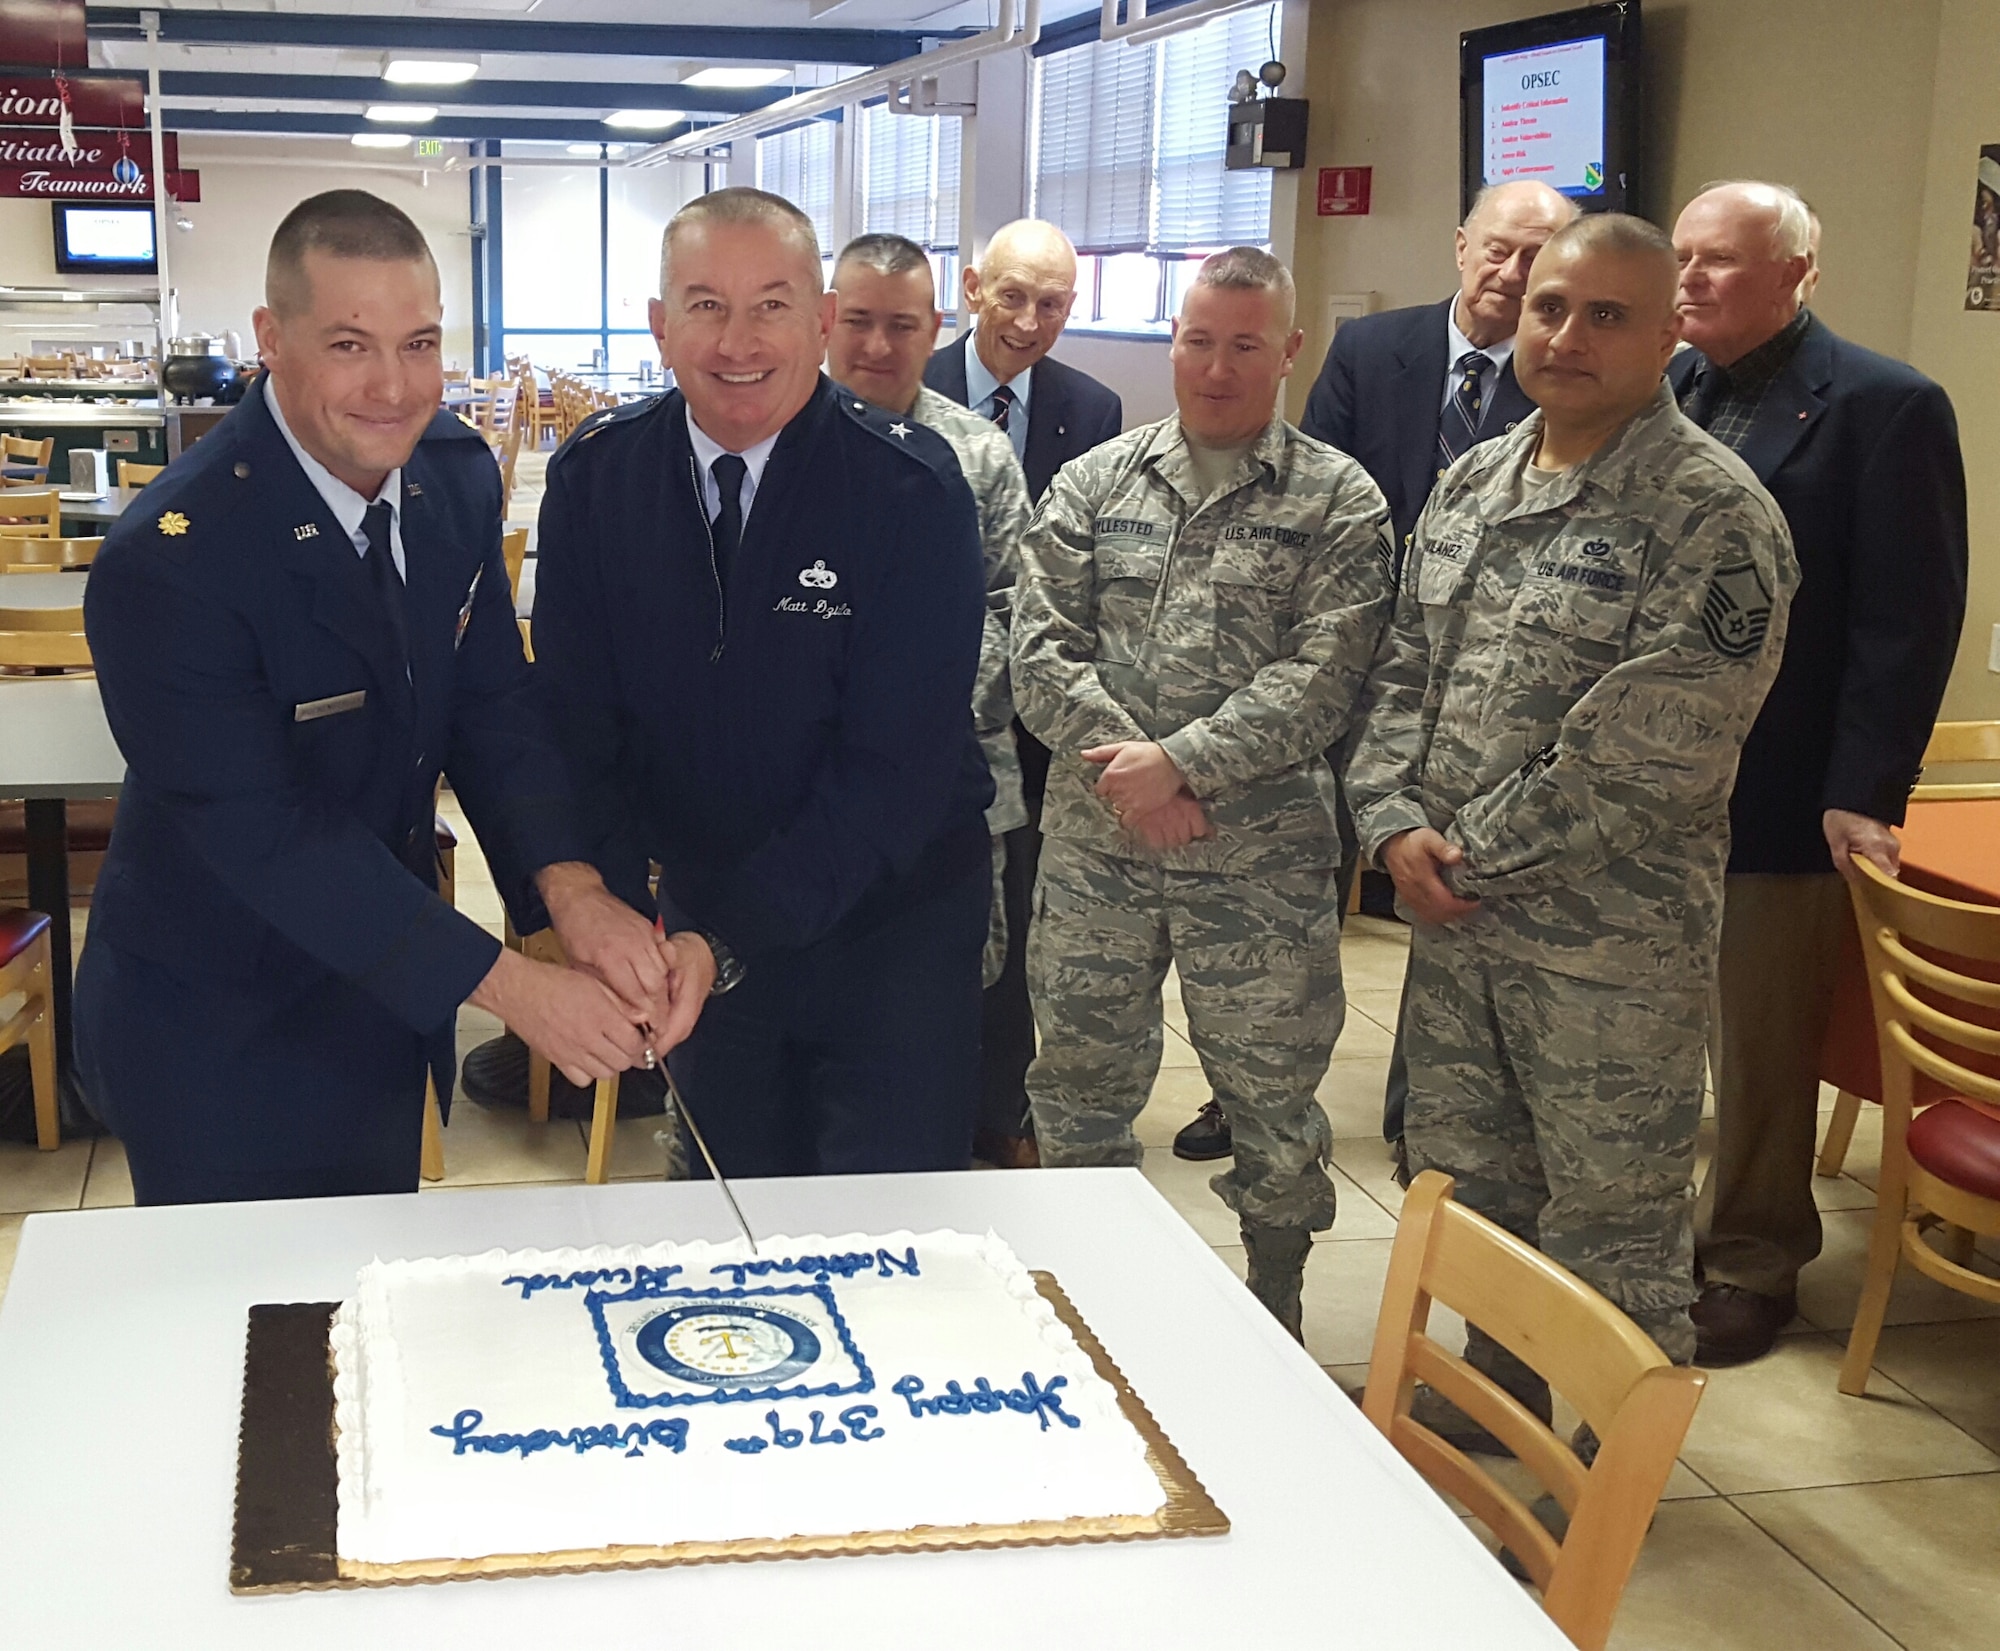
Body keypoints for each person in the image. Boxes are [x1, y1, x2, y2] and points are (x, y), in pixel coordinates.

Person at [76, 190, 693, 1205]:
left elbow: (493, 707)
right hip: (216, 1028)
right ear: (272, 339)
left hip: (380, 1003)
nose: (395, 387)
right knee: (247, 1338)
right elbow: (268, 835)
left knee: (354, 1314)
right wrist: (508, 985)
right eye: (350, 344)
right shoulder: (171, 562)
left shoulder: (447, 477)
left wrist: (572, 893)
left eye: (418, 342)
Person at [1347, 213, 1796, 1429]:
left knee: (1612, 1220)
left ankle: (1605, 1473)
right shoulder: (1476, 479)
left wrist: (1458, 854)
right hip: (1455, 929)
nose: (1566, 335)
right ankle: (1487, 1419)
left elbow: (1648, 750)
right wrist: (1390, 824)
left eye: (1606, 315)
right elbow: (1399, 671)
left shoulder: (1713, 516)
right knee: (1475, 1193)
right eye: (1549, 306)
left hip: (1606, 953)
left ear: (1665, 336)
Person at [528, 187, 992, 1179]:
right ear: (658, 326)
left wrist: (719, 936)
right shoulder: (597, 482)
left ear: (820, 320)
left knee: (885, 1233)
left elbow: (893, 775)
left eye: (770, 304)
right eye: (704, 304)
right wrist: (610, 914)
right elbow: (576, 730)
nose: (736, 340)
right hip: (702, 919)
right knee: (726, 1218)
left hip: (890, 924)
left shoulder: (910, 492)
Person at [1012, 247, 1395, 1337]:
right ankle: (1084, 1307)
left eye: (1241, 345)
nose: (1214, 368)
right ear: (1169, 343)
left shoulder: (1338, 499)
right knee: (1079, 1086)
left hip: (1257, 864)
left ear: (1286, 351)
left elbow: (1324, 676)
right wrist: (1134, 778)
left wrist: (1180, 765)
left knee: (1271, 1106)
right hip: (1098, 856)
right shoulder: (1094, 480)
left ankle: (1272, 1308)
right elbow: (1038, 653)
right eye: (1195, 340)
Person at [1178, 179, 1578, 1171]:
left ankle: (1420, 1110)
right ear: (1458, 245)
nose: (1510, 273)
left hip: (1474, 685)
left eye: (1535, 258)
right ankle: (1248, 1092)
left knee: (1438, 880)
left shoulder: (1561, 378)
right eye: (1496, 249)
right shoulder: (1373, 351)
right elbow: (1310, 499)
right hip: (1339, 659)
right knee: (1285, 903)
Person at [1670, 180, 1968, 1365]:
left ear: (1797, 273)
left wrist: (1865, 787)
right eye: (1682, 258)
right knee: (1658, 1024)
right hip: (1660, 775)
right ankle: (1655, 1223)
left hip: (1787, 785)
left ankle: (1750, 1259)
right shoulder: (1673, 387)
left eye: (1719, 262)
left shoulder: (1884, 407)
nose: (1689, 279)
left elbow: (1907, 620)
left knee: (1758, 1041)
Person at [926, 217, 1124, 1169]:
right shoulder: (908, 389)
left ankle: (1003, 1107)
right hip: (941, 709)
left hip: (1039, 723)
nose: (1030, 320)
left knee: (1017, 929)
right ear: (972, 290)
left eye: (1052, 304)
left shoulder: (1093, 407)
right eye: (1014, 296)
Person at [825, 231, 1031, 1017]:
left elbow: (1015, 610)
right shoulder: (776, 441)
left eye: (903, 325)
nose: (879, 345)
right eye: (859, 320)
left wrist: (911, 708)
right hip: (807, 783)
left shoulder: (979, 455)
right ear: (824, 319)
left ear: (936, 325)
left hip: (952, 776)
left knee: (943, 996)